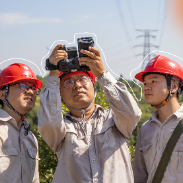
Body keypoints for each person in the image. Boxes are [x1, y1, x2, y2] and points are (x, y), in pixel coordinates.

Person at [38, 44, 141, 183]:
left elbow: (132, 113)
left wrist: (102, 74)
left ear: (94, 86)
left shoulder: (115, 120)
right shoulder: (61, 130)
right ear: (59, 95)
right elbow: (49, 123)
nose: (77, 85)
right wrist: (53, 74)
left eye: (82, 78)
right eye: (68, 82)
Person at [132, 55, 183, 183]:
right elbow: (139, 176)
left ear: (174, 87)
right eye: (145, 83)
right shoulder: (145, 129)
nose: (146, 87)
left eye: (153, 81)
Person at [0, 63, 42, 183]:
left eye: (33, 88)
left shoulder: (31, 138)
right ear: (2, 94)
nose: (31, 92)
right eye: (23, 85)